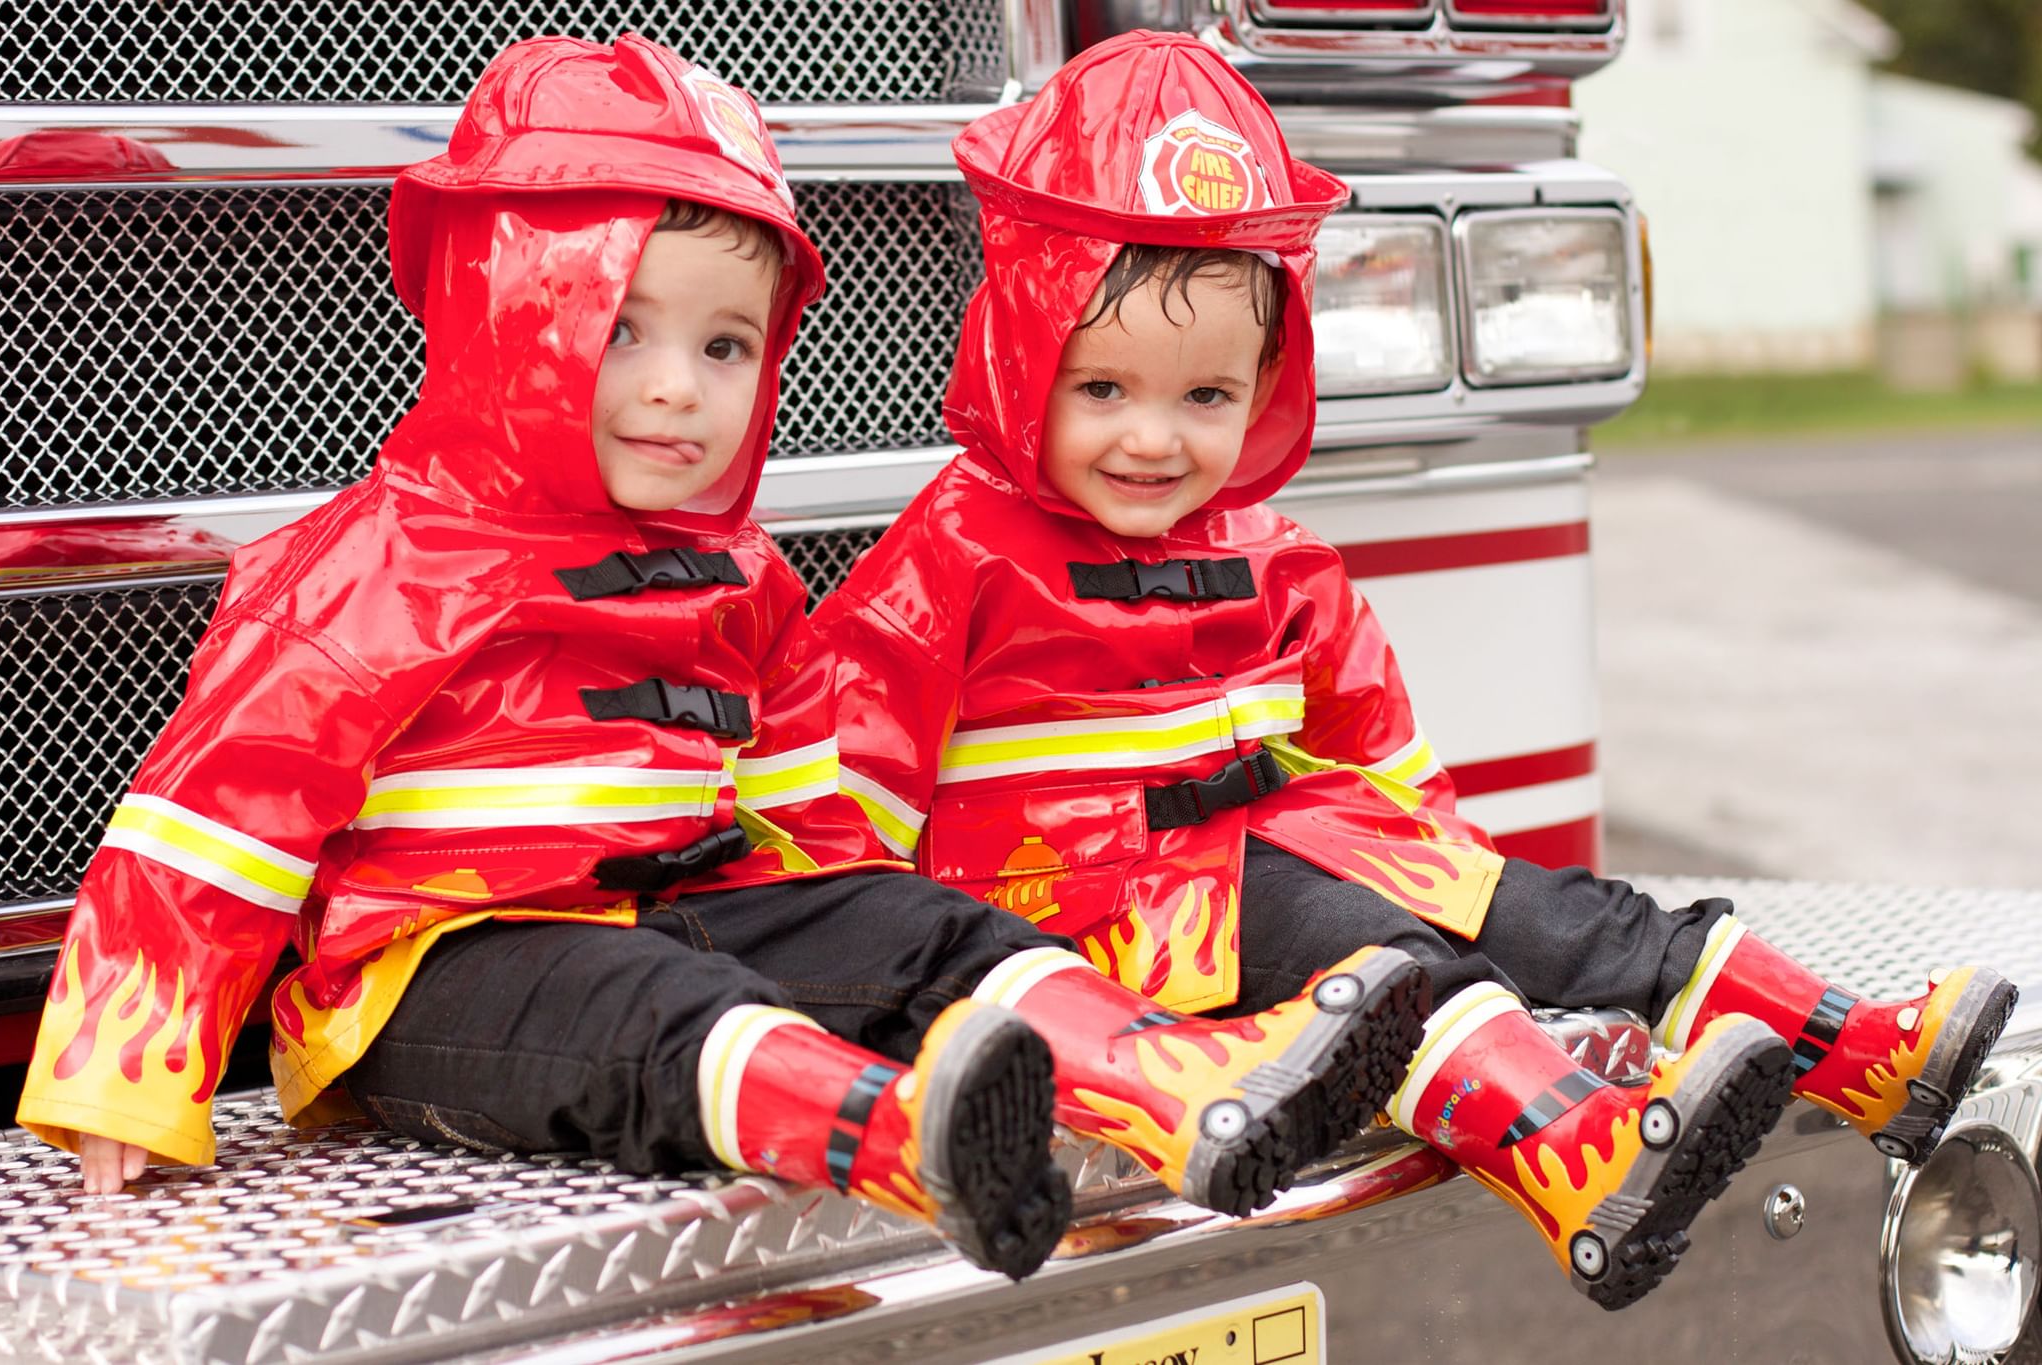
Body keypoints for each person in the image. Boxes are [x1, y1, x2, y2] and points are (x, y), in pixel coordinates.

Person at [16, 35, 1433, 1283]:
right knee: (668, 1015)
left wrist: (868, 936)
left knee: (925, 932)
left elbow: (811, 815)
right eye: (616, 329)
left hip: (682, 906)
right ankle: (913, 1141)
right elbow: (213, 822)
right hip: (426, 978)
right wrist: (120, 1070)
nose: (677, 387)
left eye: (727, 343)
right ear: (503, 311)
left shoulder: (743, 574)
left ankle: (1189, 1092)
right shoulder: (371, 567)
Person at [812, 30, 2017, 1308]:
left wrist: (1467, 880)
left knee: (1570, 917)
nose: (1154, 441)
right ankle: (1567, 1155)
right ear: (1015, 349)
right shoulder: (948, 555)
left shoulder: (1272, 556)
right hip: (1106, 911)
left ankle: (1855, 1053)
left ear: (1270, 385)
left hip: (1287, 850)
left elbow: (1372, 742)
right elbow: (845, 807)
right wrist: (931, 991)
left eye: (1207, 398)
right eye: (1101, 386)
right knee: (1380, 962)